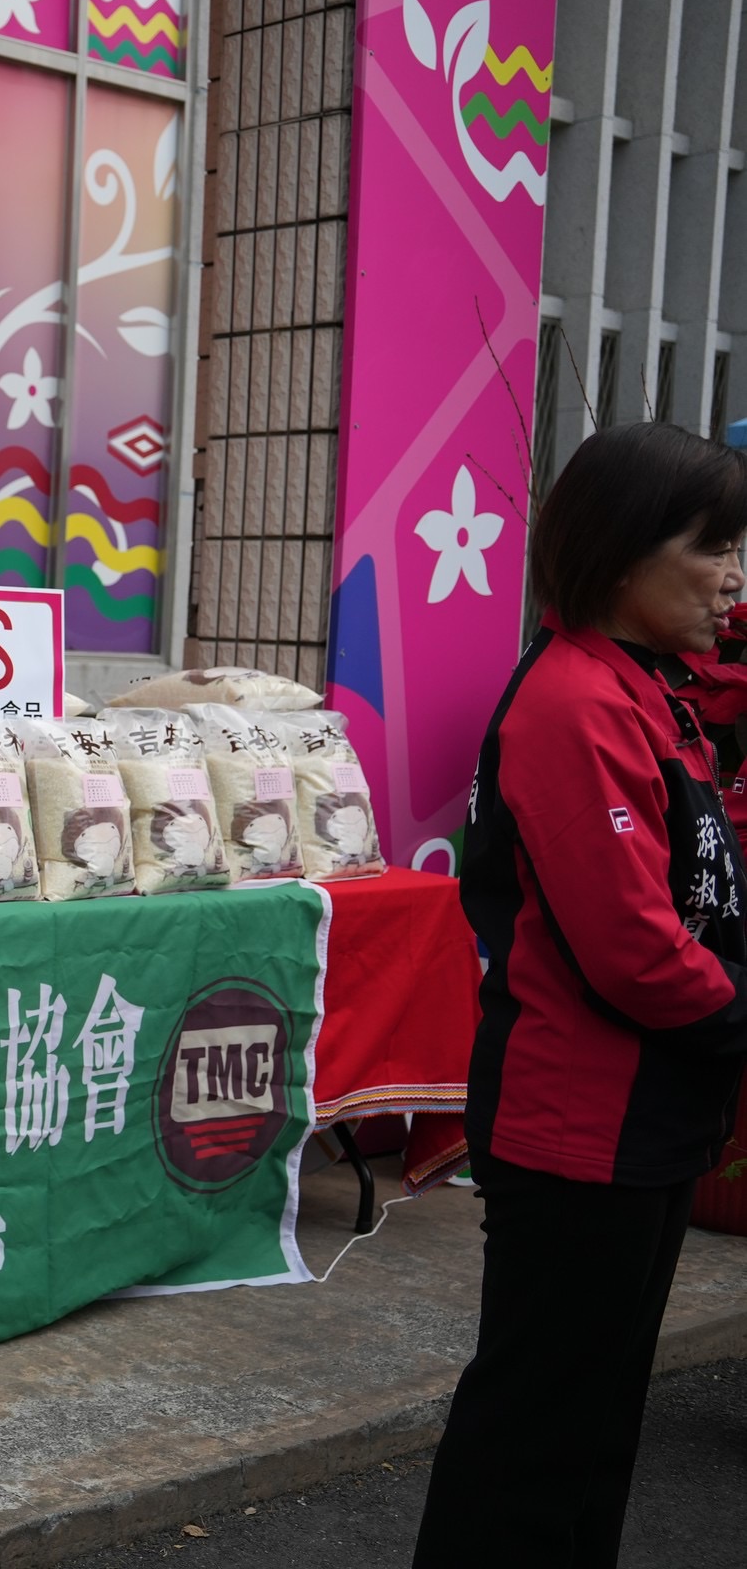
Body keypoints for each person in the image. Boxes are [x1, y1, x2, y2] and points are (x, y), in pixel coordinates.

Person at [415, 422, 747, 1567]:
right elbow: (633, 950)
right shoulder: (575, 703)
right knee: (536, 1431)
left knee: (596, 1422)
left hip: (648, 1118)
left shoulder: (652, 693)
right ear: (620, 553)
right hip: (580, 1125)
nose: (735, 577)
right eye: (714, 546)